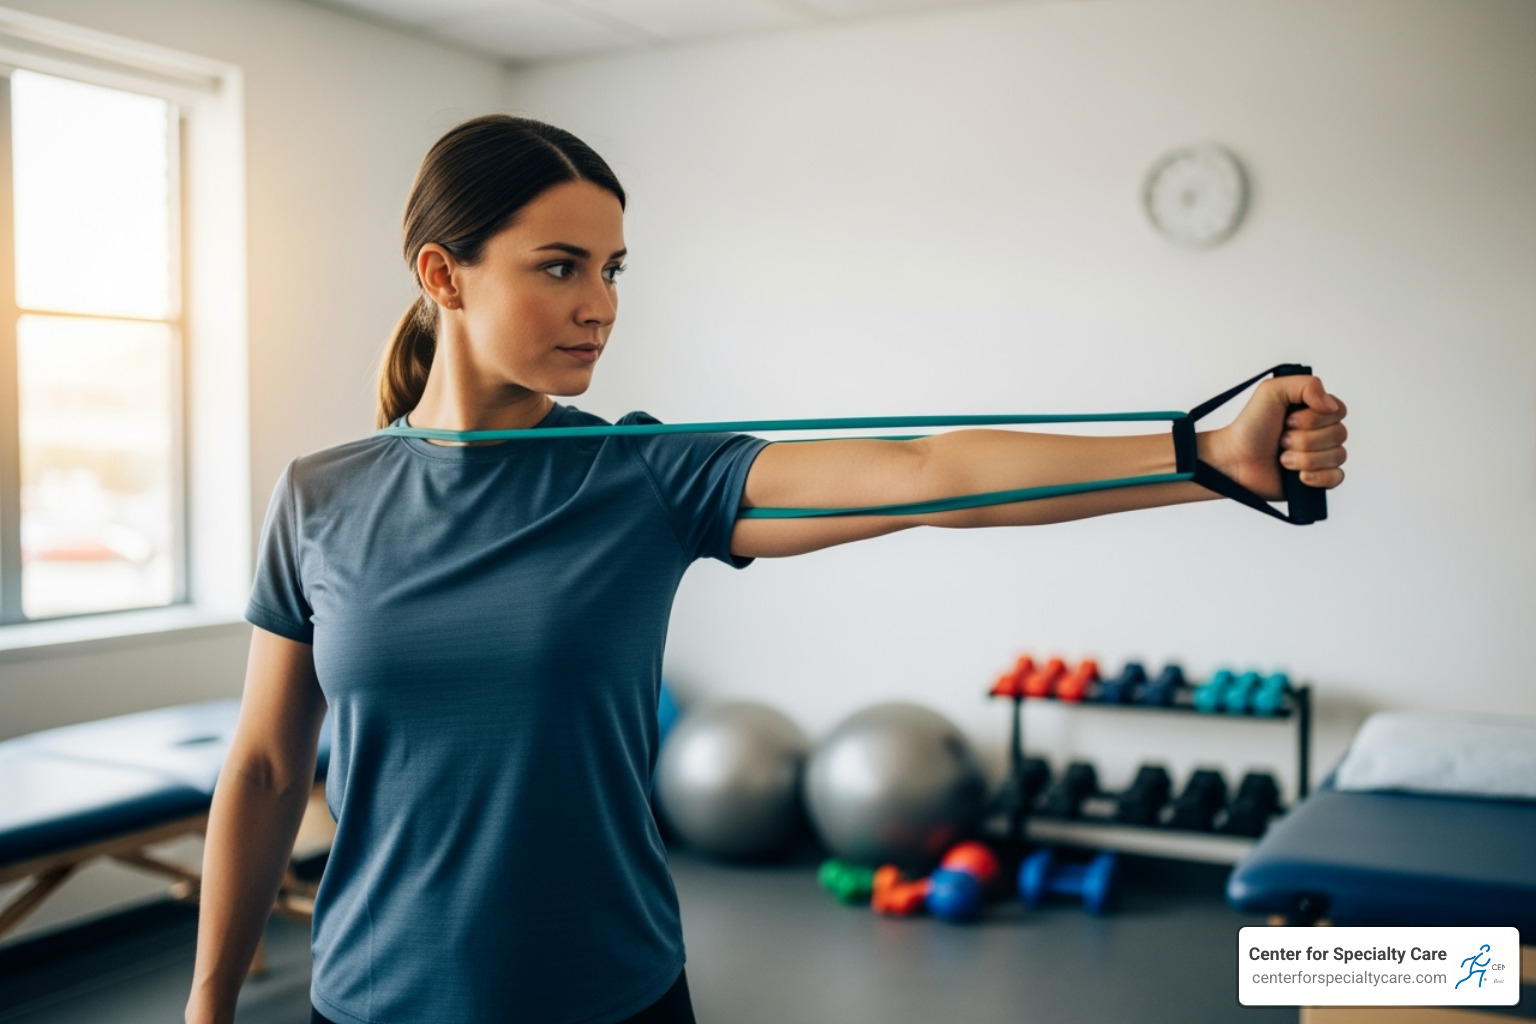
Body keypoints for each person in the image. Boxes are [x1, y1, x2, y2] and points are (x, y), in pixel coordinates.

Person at [185, 115, 1347, 1024]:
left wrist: (1206, 454)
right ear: (444, 274)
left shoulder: (640, 475)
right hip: (373, 997)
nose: (599, 307)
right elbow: (266, 766)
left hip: (610, 994)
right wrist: (208, 998)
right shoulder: (319, 496)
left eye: (614, 268)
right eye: (559, 266)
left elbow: (927, 472)